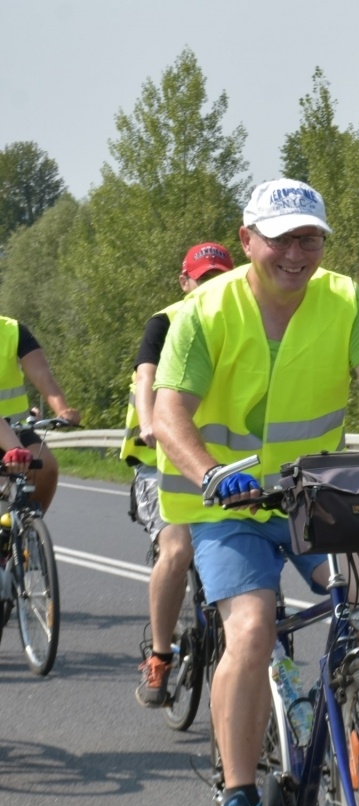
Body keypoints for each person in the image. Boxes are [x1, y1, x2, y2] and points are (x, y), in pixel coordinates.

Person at [152, 179, 359, 806]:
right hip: (223, 503)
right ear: (248, 239)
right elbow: (170, 415)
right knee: (251, 629)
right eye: (280, 238)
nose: (296, 252)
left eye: (309, 237)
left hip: (312, 494)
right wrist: (210, 473)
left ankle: (332, 701)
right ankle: (238, 797)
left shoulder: (342, 299)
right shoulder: (206, 310)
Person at [127, 241, 236, 708]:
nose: (209, 287)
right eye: (202, 278)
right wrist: (151, 421)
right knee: (176, 548)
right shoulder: (166, 320)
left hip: (215, 465)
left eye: (219, 277)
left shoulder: (243, 318)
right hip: (158, 462)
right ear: (184, 282)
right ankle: (159, 656)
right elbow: (145, 377)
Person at [0, 315, 81, 510]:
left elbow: (41, 374)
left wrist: (62, 409)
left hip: (15, 429)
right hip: (10, 439)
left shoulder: (13, 330)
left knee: (46, 466)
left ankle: (29, 527)